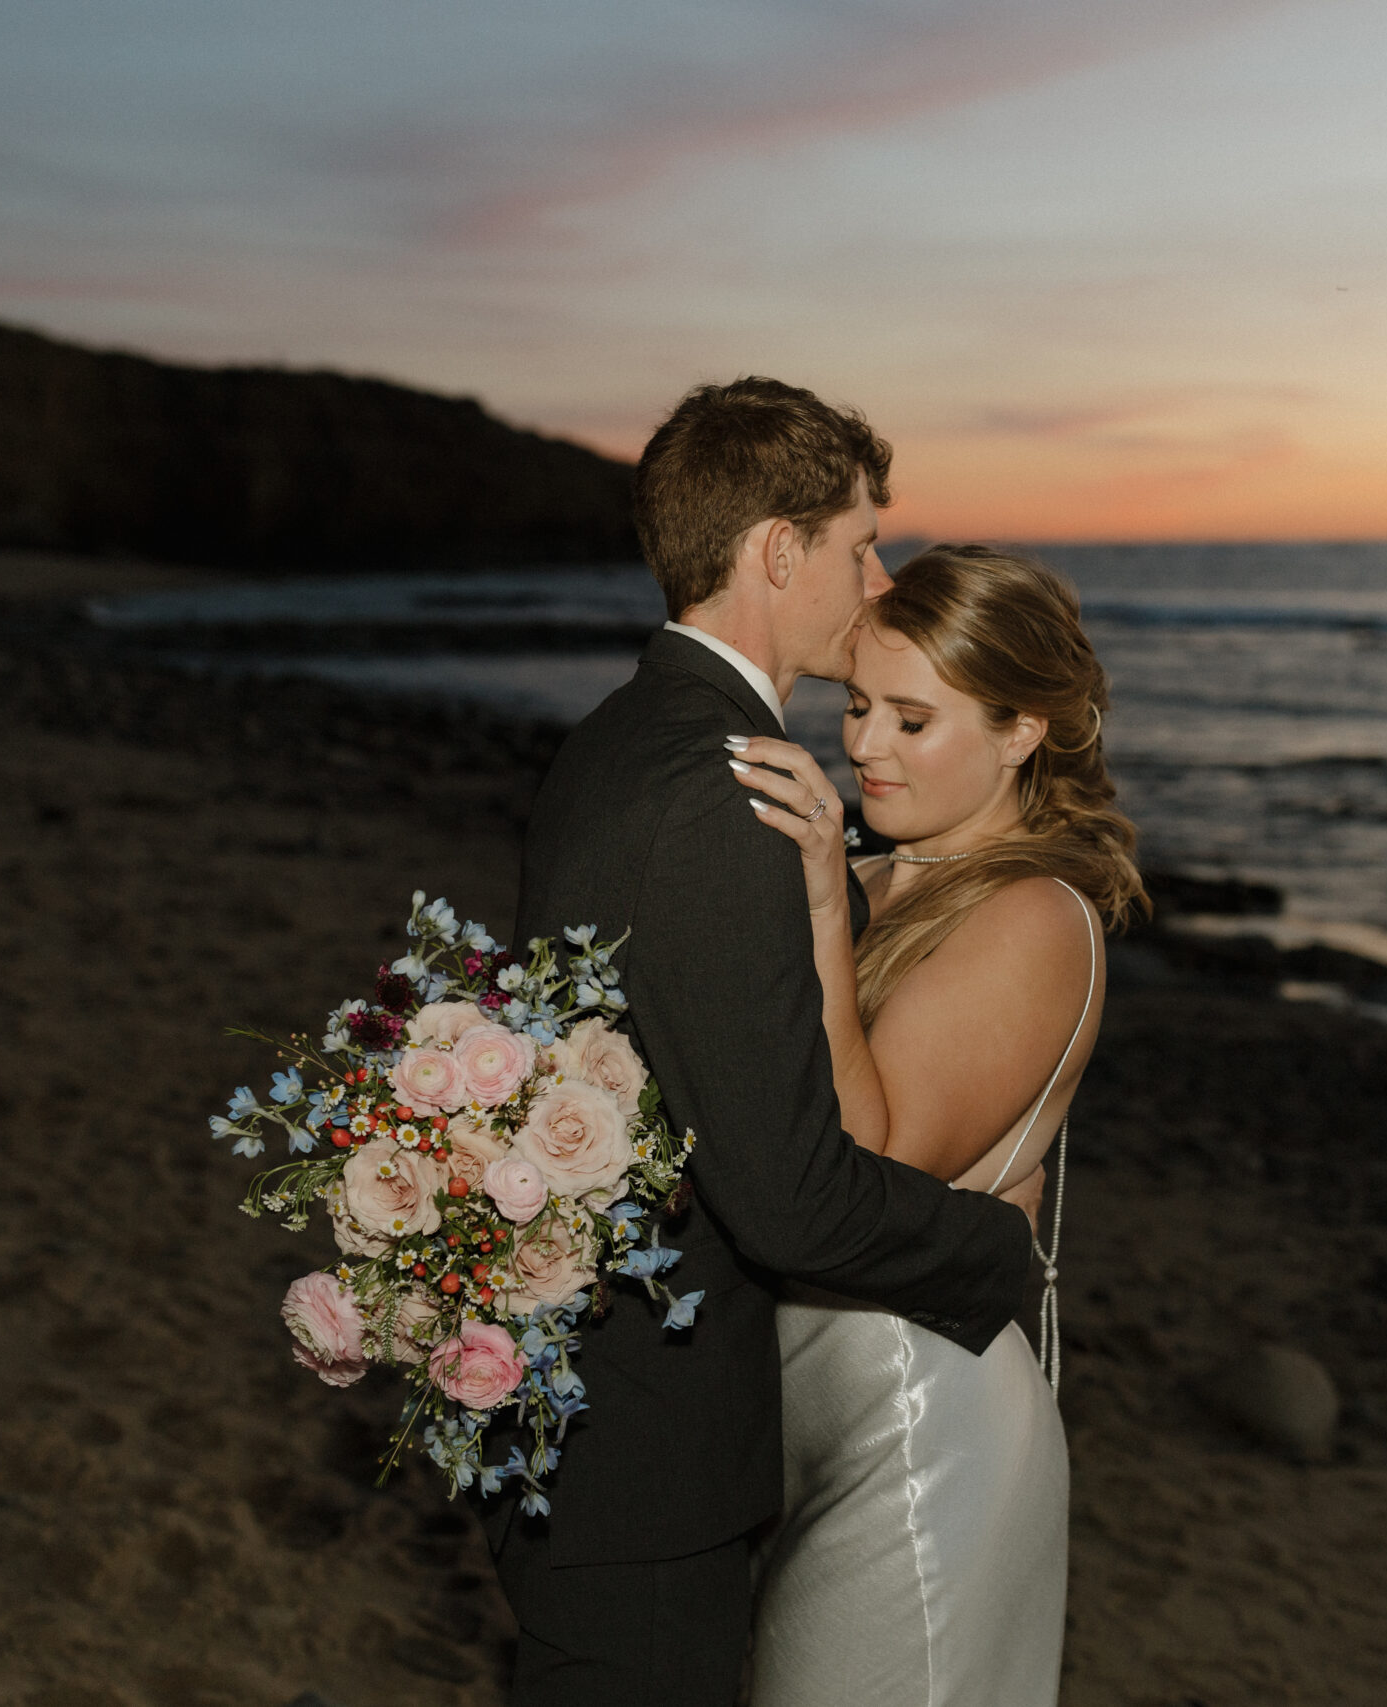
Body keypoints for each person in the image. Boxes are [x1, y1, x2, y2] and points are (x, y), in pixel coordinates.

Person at [495, 380, 1037, 1707]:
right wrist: (998, 1247)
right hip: (644, 1444)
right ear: (779, 551)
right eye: (862, 545)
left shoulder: (621, 736)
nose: (881, 577)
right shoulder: (717, 785)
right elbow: (789, 1199)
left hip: (580, 1405)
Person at [734, 543, 1146, 1706]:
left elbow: (863, 1167)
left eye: (913, 720)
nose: (861, 745)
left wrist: (817, 901)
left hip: (922, 1423)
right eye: (859, 706)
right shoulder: (869, 881)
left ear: (1023, 731)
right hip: (800, 1416)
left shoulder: (1036, 917)